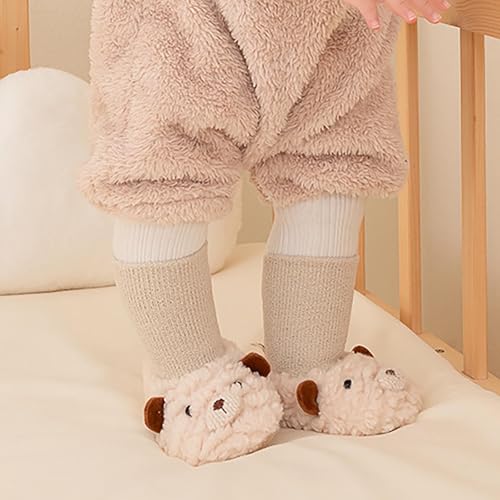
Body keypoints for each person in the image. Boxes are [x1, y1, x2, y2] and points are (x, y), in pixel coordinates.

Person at [79, 0, 450, 464]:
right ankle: (186, 372)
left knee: (331, 160)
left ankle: (307, 367)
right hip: (182, 17)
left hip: (331, 20)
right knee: (163, 165)